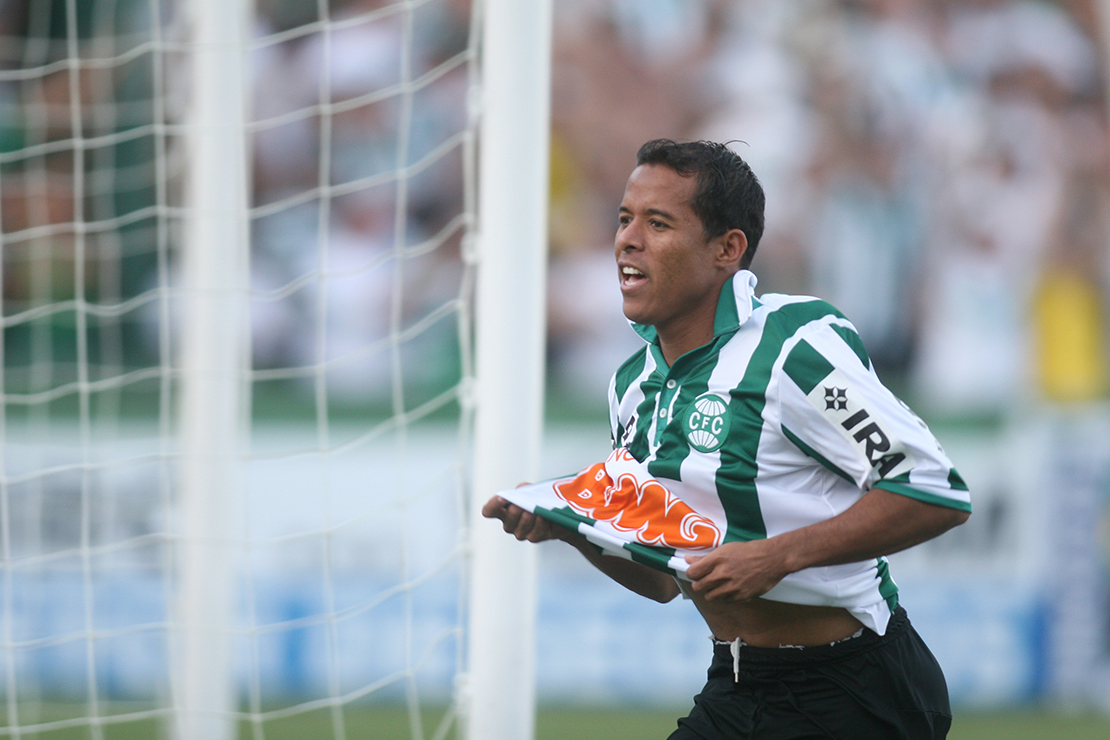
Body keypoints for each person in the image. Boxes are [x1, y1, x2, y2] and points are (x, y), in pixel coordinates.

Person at [483, 139, 971, 739]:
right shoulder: (631, 385)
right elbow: (662, 580)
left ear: (727, 249)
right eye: (624, 218)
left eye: (657, 223)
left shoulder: (793, 347)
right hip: (739, 682)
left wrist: (777, 557)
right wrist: (570, 527)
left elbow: (935, 492)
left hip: (857, 691)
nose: (628, 240)